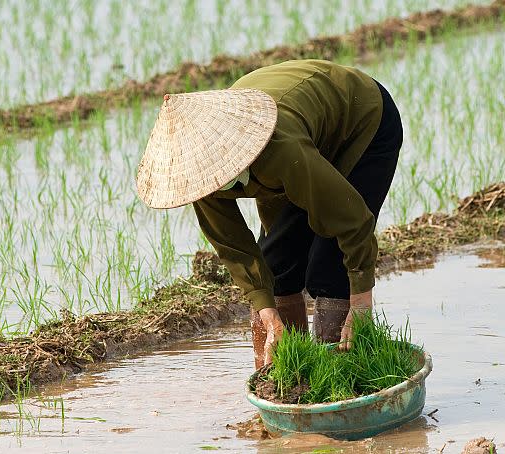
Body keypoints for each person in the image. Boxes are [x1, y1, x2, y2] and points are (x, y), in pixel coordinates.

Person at [136, 59, 402, 369]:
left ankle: (340, 376)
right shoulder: (197, 175)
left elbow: (353, 221)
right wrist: (267, 312)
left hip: (361, 122)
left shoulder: (277, 147)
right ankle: (282, 374)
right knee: (277, 267)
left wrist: (360, 304)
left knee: (329, 271)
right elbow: (233, 246)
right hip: (302, 141)